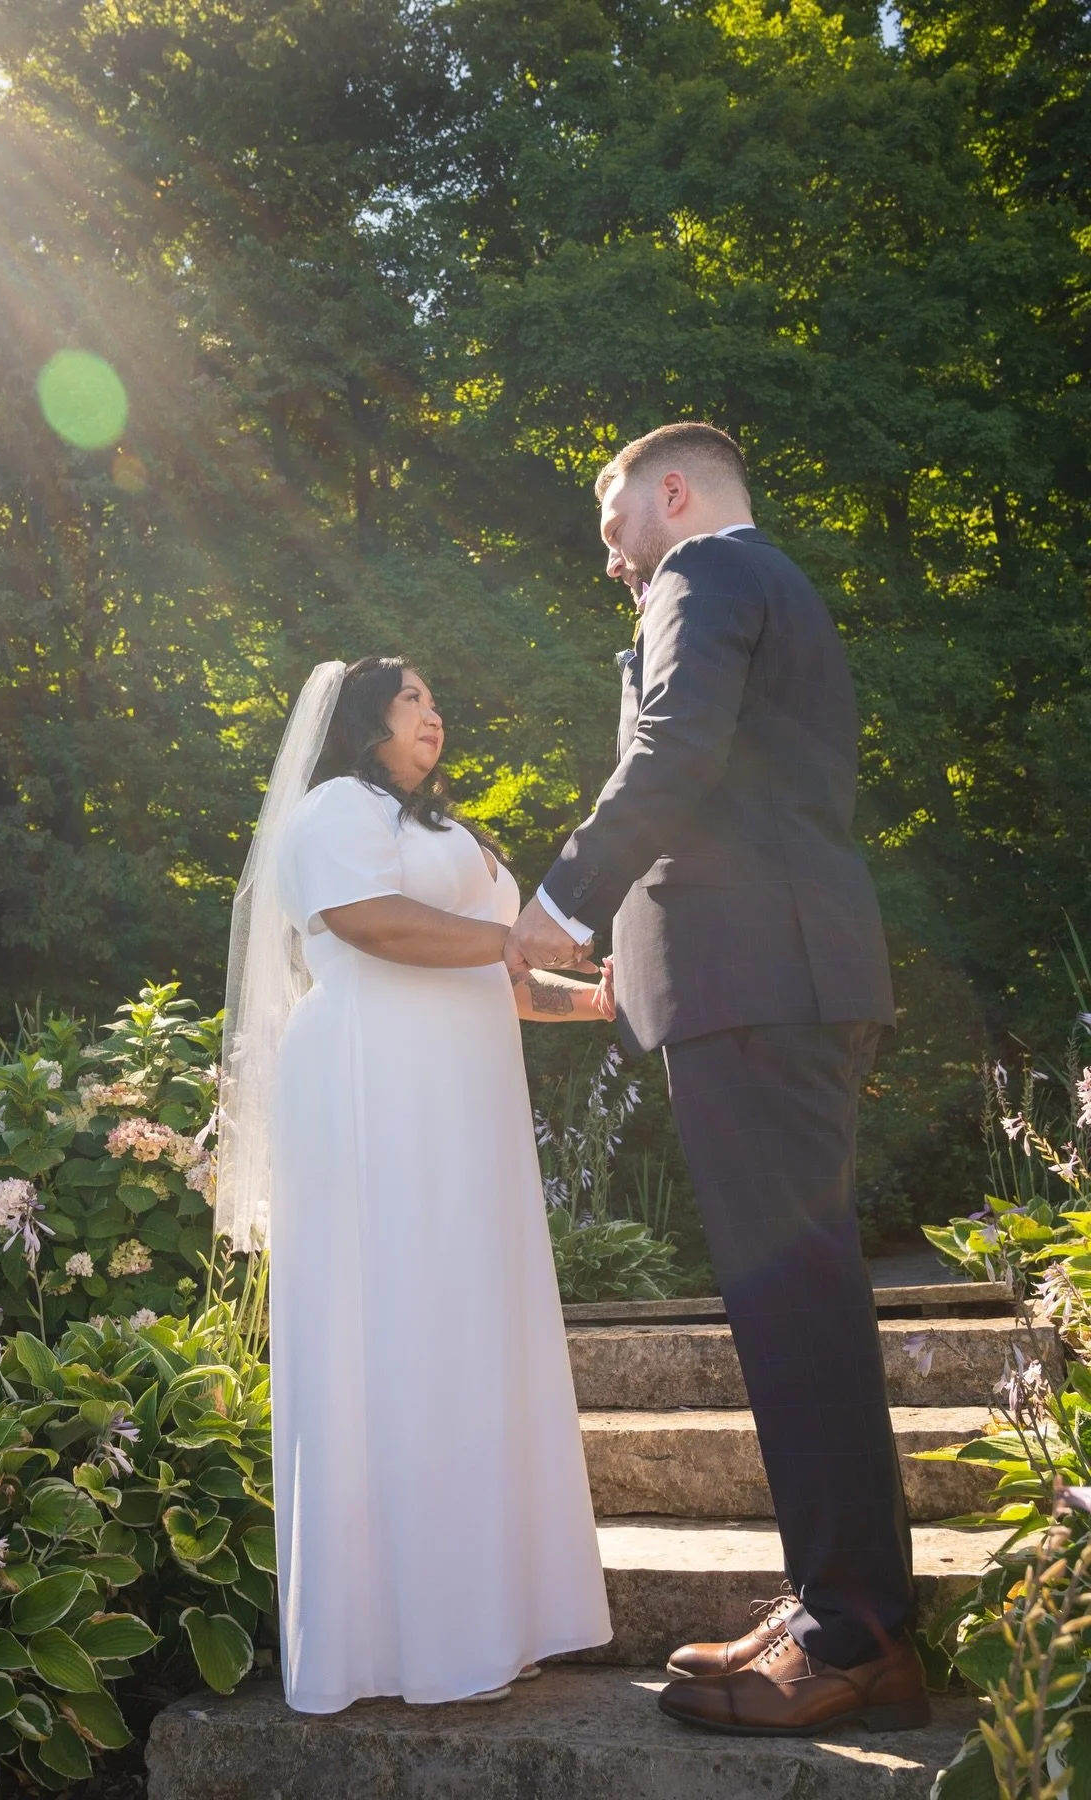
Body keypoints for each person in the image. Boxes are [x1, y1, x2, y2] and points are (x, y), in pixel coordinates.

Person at [504, 422, 926, 1738]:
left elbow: (678, 749)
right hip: (757, 973)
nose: (610, 556)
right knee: (787, 1305)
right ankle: (826, 1607)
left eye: (612, 522)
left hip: (764, 980)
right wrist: (634, 963)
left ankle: (856, 1636)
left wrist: (564, 903)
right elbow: (740, 784)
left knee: (795, 1307)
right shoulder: (749, 586)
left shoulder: (709, 574)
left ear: (671, 495)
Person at [217, 654, 613, 1715]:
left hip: (465, 1100)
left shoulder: (455, 834)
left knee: (472, 1332)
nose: (434, 715)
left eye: (439, 700)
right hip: (370, 1087)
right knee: (394, 1328)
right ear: (361, 722)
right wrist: (514, 942)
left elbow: (504, 976)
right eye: (411, 701)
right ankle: (394, 1640)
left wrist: (593, 1002)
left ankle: (489, 1621)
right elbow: (372, 926)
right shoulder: (335, 812)